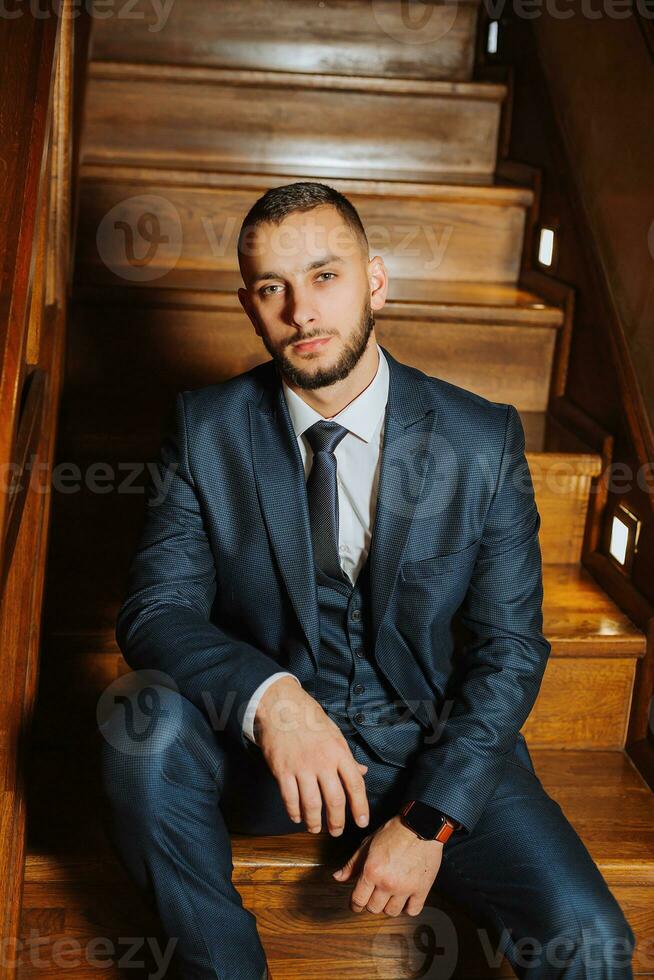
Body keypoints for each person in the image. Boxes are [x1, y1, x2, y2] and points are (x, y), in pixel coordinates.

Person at [100, 181, 636, 980]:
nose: (301, 312)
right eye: (272, 289)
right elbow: (157, 608)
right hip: (263, 758)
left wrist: (428, 822)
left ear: (375, 281)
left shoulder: (480, 438)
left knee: (591, 943)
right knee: (135, 722)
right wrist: (271, 698)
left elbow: (511, 649)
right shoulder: (205, 427)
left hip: (428, 742)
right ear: (248, 305)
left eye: (325, 276)